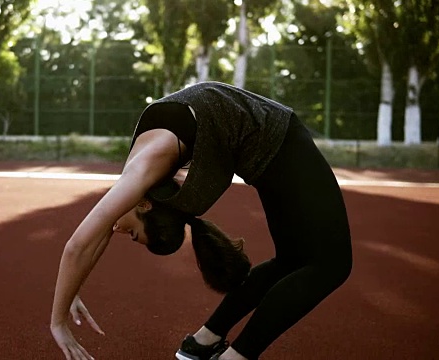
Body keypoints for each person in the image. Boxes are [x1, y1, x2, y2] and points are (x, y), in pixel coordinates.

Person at [50, 81, 352, 360]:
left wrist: (59, 322)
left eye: (133, 234)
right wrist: (71, 288)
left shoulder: (143, 167)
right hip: (275, 144)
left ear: (145, 205)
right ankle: (213, 346)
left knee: (322, 264)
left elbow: (80, 244)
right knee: (313, 263)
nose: (117, 229)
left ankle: (205, 345)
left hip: (277, 139)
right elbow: (94, 237)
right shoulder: (141, 177)